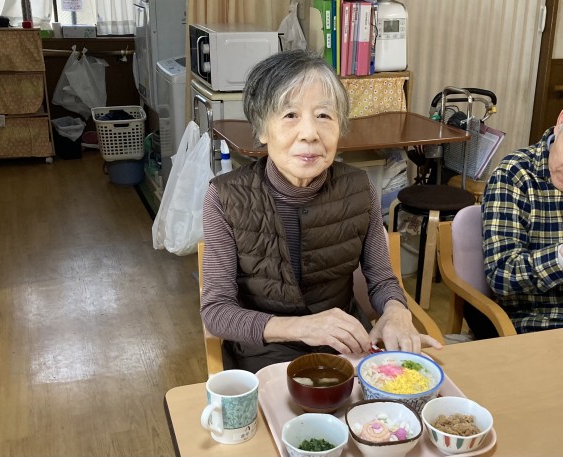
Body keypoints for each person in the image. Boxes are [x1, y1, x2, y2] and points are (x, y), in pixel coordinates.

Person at [200, 49, 442, 373]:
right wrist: (302, 327)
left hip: (346, 349)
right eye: (290, 115)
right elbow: (217, 312)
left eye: (324, 116)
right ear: (261, 129)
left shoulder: (359, 188)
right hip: (265, 357)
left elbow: (382, 279)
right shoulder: (224, 196)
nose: (310, 133)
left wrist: (397, 312)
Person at [480, 109, 563, 337]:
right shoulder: (514, 174)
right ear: (560, 122)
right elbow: (501, 275)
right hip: (538, 322)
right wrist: (559, 258)